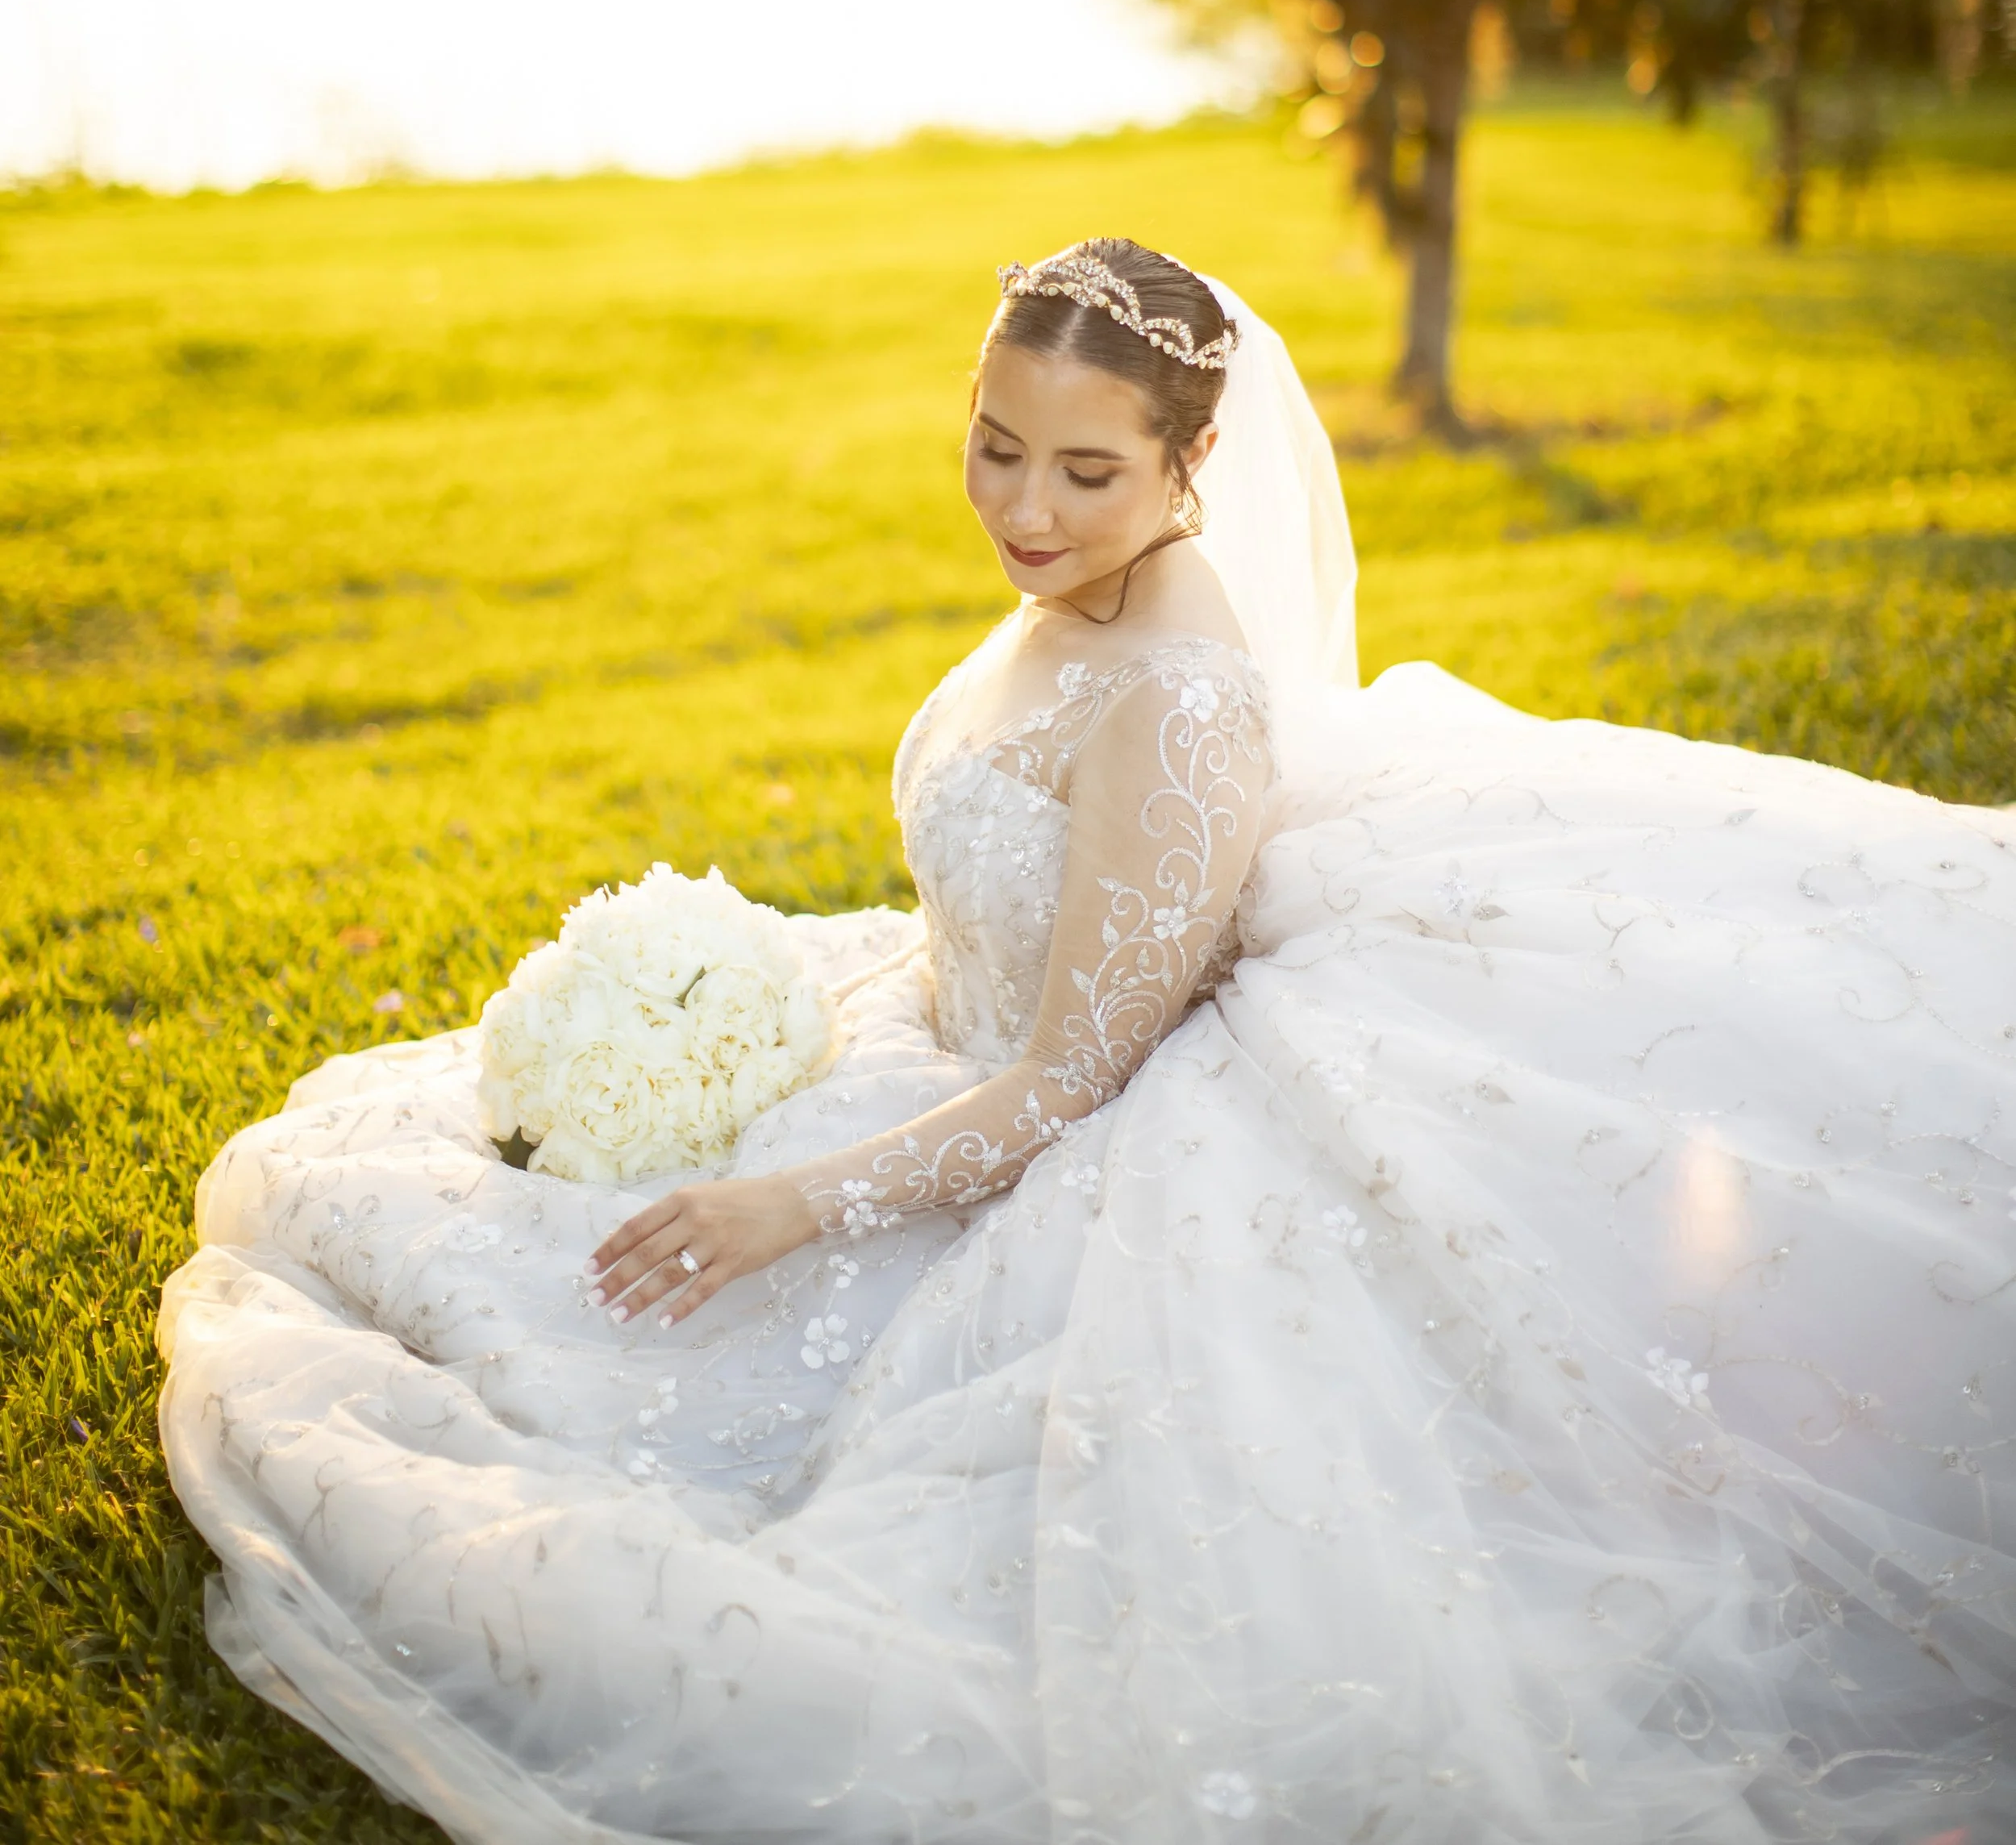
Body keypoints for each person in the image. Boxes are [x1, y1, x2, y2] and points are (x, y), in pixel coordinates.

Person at [158, 240, 2014, 1845]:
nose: (1024, 512)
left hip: (1061, 1119)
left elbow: (1069, 1081)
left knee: (604, 1390)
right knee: (408, 1214)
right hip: (946, 1028)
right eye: (993, 448)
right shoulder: (1079, 590)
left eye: (1084, 473)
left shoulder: (1182, 697)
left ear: (1195, 463)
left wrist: (786, 1207)